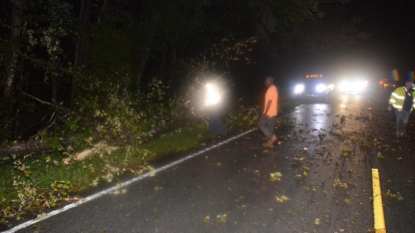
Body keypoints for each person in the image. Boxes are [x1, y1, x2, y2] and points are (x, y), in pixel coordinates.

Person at [258, 76, 278, 147]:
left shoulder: (270, 89)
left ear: (270, 81)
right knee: (270, 127)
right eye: (265, 81)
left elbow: (269, 102)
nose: (265, 82)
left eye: (267, 81)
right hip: (273, 112)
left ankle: (273, 137)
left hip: (269, 112)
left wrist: (265, 113)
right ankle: (270, 142)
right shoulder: (274, 88)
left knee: (261, 124)